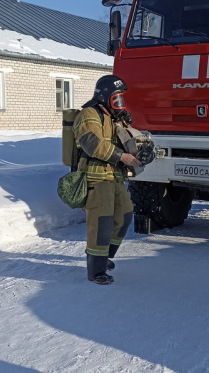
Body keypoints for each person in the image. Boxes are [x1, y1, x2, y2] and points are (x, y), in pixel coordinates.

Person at [73, 75, 141, 285]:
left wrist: (142, 150)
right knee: (101, 223)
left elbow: (128, 139)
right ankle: (96, 270)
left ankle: (103, 256)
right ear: (104, 97)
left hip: (115, 176)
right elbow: (92, 144)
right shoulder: (89, 114)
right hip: (96, 177)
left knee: (125, 216)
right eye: (116, 99)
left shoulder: (113, 117)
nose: (119, 103)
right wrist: (122, 156)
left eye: (120, 99)